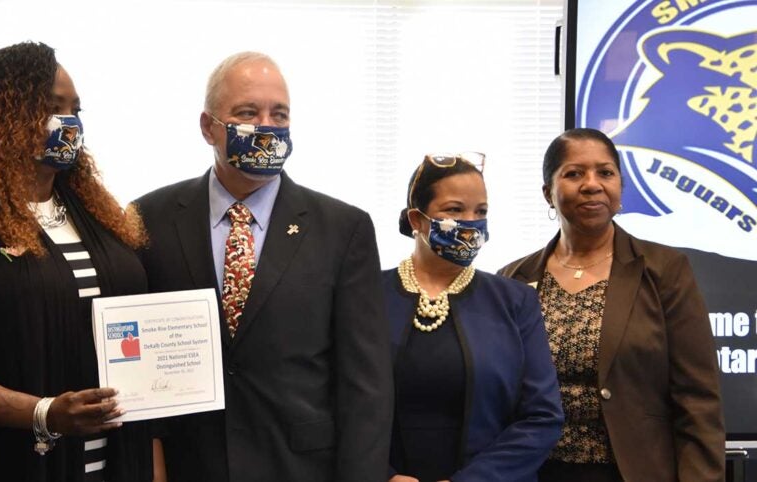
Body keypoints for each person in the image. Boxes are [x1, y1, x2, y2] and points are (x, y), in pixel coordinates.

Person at [133, 51, 392, 482]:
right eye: (248, 112)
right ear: (208, 127)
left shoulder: (343, 228)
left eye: (280, 114)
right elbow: (139, 367)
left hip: (302, 466)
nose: (266, 127)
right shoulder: (150, 219)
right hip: (190, 464)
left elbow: (366, 385)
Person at [0, 42, 151, 481]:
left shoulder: (95, 212)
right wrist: (43, 412)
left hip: (119, 460)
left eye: (75, 110)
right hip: (23, 461)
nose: (68, 122)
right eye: (50, 106)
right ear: (2, 118)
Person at [499, 128, 725, 482]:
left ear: (620, 186)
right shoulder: (512, 279)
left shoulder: (664, 270)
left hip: (634, 470)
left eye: (605, 172)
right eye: (574, 174)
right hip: (534, 471)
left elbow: (698, 399)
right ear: (548, 193)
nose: (592, 184)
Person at [384, 153, 563, 482]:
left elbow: (542, 417)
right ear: (416, 220)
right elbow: (334, 402)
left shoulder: (515, 301)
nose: (471, 222)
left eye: (480, 212)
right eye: (455, 210)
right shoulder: (365, 295)